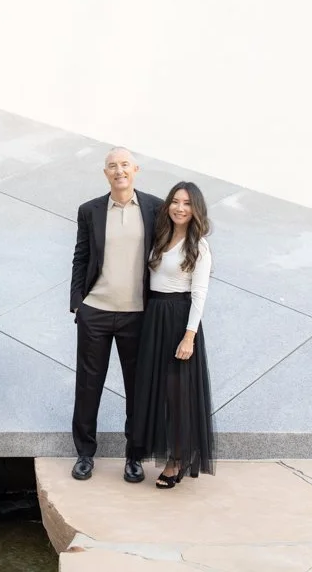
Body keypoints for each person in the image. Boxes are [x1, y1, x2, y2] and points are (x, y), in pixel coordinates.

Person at [70, 147, 162, 482]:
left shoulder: (156, 208)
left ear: (136, 169)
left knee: (137, 389)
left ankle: (134, 456)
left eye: (124, 165)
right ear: (105, 173)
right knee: (88, 385)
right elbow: (81, 256)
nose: (119, 170)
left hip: (137, 314)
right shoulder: (90, 210)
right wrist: (77, 303)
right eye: (112, 166)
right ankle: (84, 454)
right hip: (96, 310)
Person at [132, 181, 216, 489]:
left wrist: (189, 336)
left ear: (196, 210)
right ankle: (159, 452)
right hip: (154, 317)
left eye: (187, 203)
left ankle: (177, 460)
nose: (180, 208)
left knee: (177, 394)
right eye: (176, 201)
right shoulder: (161, 236)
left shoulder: (198, 246)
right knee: (155, 390)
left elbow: (200, 293)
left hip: (179, 319)